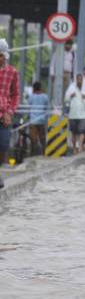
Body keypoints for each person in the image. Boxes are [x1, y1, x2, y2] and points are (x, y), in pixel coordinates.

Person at [0, 39, 20, 189]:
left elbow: (16, 95)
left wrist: (10, 111)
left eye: (2, 55)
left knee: (4, 145)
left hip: (4, 115)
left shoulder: (12, 72)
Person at [64, 74, 85, 154]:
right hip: (73, 114)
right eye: (78, 79)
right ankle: (74, 147)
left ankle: (80, 147)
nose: (79, 81)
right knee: (73, 132)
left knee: (82, 131)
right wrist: (70, 96)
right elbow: (66, 100)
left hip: (84, 114)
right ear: (75, 80)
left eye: (81, 79)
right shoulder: (71, 88)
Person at [28, 81, 49, 155]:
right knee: (42, 139)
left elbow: (29, 106)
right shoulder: (45, 97)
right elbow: (46, 107)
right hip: (41, 120)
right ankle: (44, 153)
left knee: (33, 140)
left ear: (33, 88)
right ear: (40, 88)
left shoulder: (31, 97)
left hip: (33, 121)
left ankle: (32, 154)